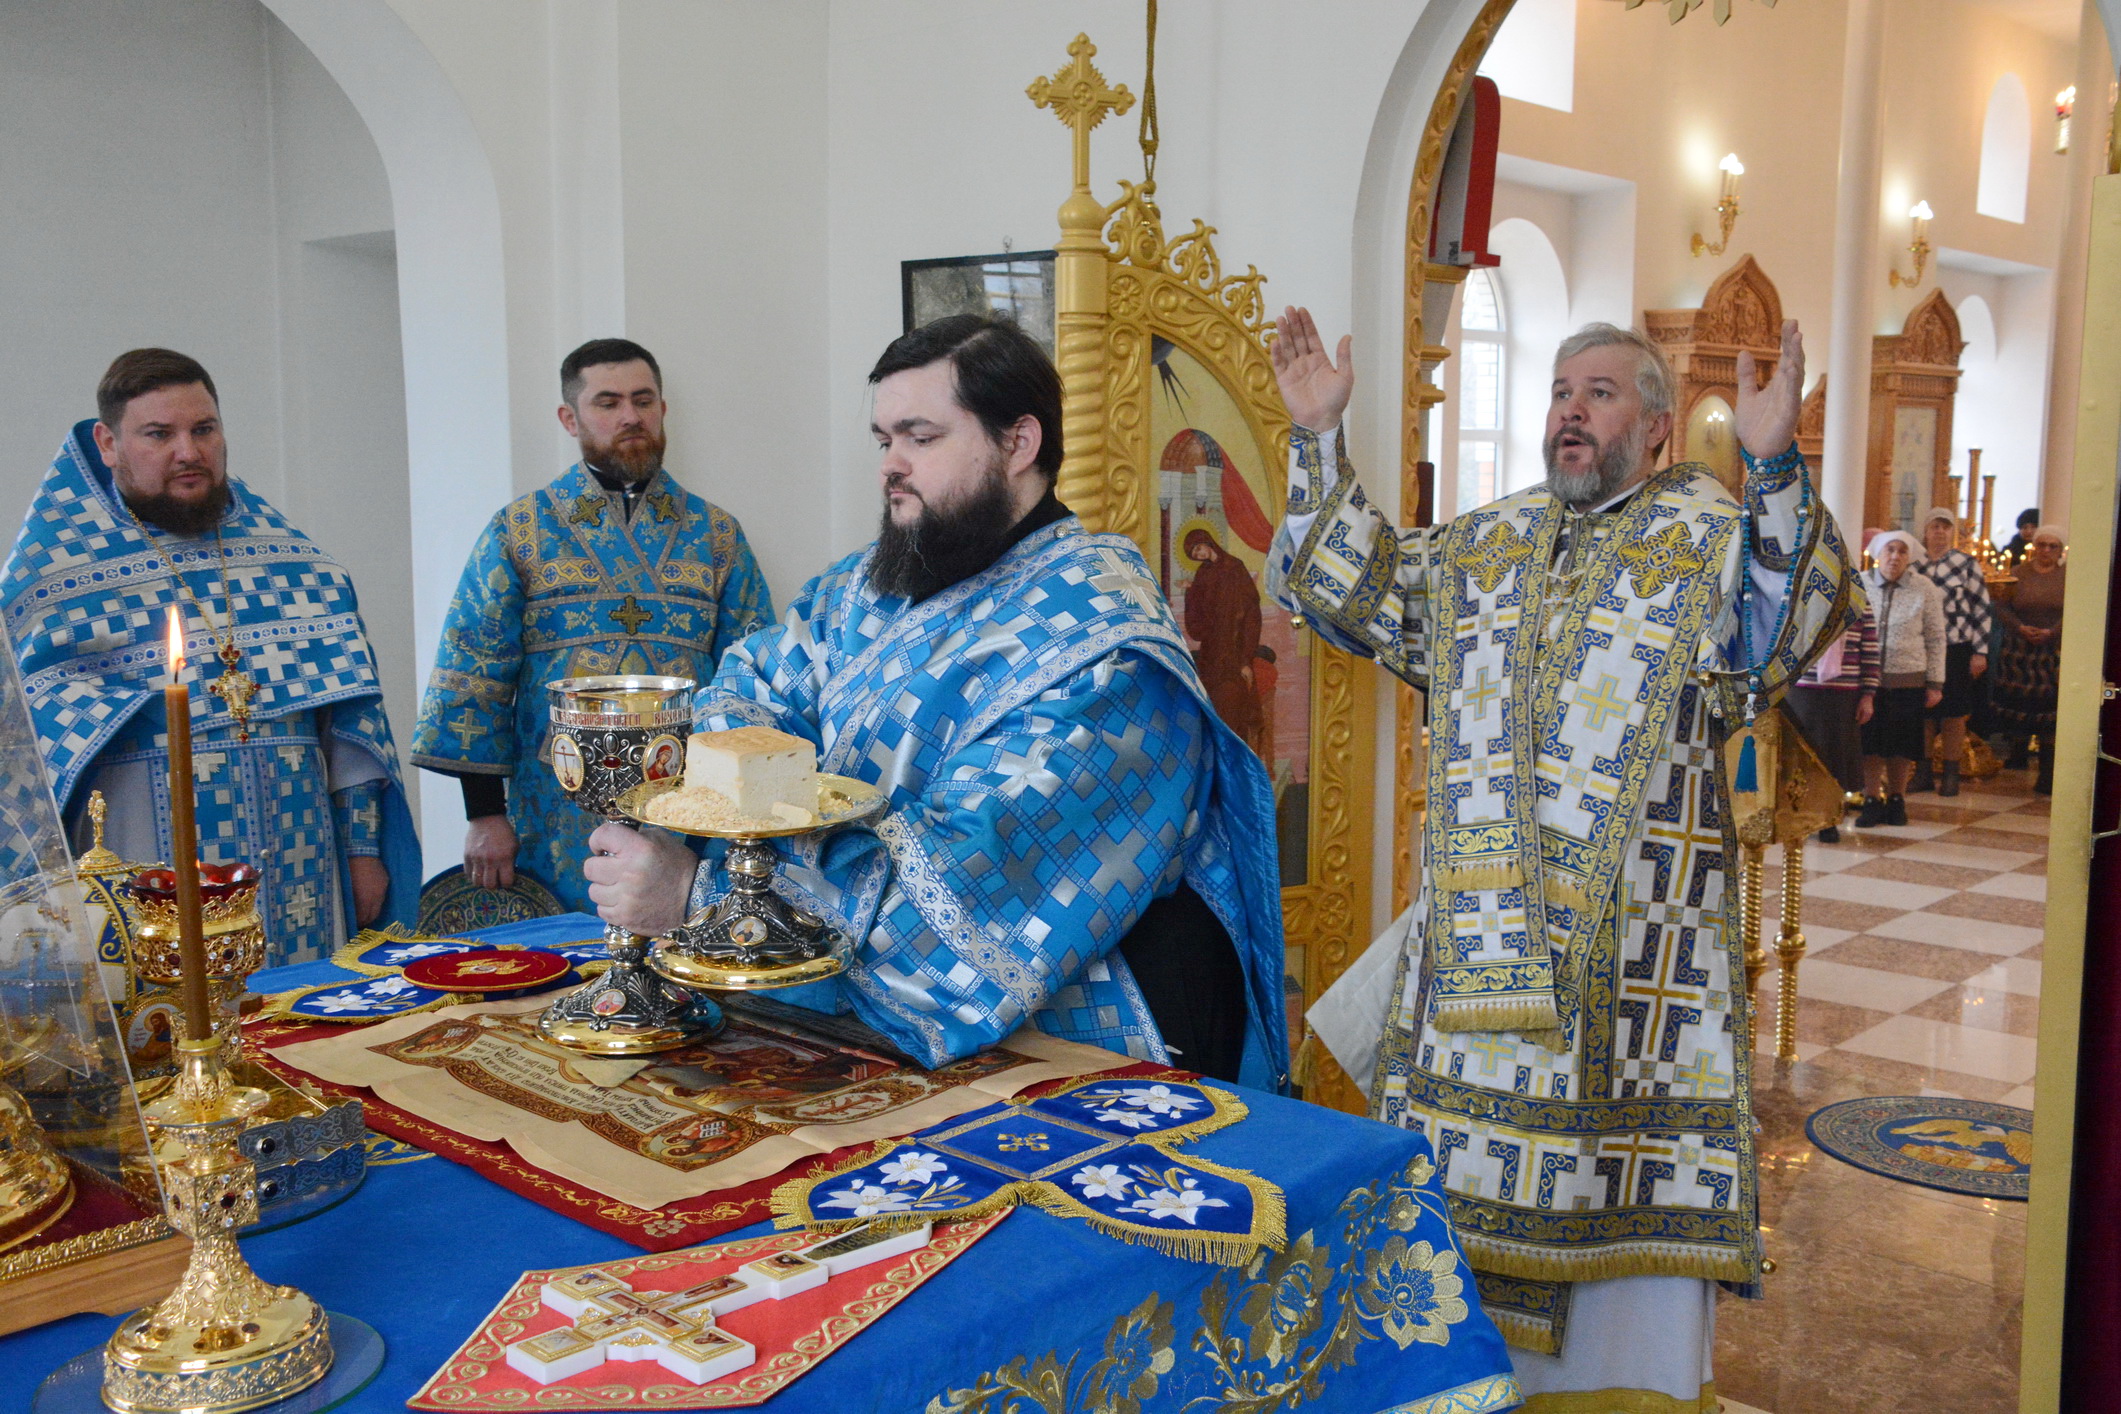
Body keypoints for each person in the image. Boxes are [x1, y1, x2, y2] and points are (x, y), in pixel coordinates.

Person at [1270, 307, 1855, 1407]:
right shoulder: (1487, 545)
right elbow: (1361, 590)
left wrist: (1774, 462)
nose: (1569, 413)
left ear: (1658, 426)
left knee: (1609, 1232)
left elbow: (1793, 620)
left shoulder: (1707, 539)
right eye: (1558, 392)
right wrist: (1316, 438)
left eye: (1599, 393)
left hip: (1632, 967)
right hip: (1479, 961)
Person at [583, 315, 1288, 1087]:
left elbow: (961, 897)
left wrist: (704, 894)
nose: (891, 465)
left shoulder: (1103, 653)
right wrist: (759, 815)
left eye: (920, 438)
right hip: (844, 1032)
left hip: (1069, 1054)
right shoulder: (870, 585)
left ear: (1018, 443)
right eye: (883, 440)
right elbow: (748, 688)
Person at [3, 349, 420, 965]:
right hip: (145, 857)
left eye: (204, 429)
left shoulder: (297, 568)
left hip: (299, 859)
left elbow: (349, 721)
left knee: (304, 1010)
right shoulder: (55, 584)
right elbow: (25, 748)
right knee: (171, 1012)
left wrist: (361, 852)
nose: (188, 452)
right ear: (108, 443)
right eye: (159, 434)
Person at [410, 339, 773, 913]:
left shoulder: (717, 535)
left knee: (681, 946)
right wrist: (483, 814)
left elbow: (754, 673)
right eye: (608, 402)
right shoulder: (520, 530)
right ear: (570, 418)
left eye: (643, 400)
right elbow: (473, 669)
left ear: (662, 409)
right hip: (553, 805)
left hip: (688, 805)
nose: (630, 416)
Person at [1854, 530, 1946, 827]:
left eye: (1902, 551)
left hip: (1908, 679)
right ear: (1878, 554)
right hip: (1866, 681)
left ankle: (1897, 799)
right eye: (1889, 550)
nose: (1895, 557)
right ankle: (1871, 798)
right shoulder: (1860, 583)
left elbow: (1936, 637)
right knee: (1869, 743)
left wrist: (1935, 683)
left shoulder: (1924, 588)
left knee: (1900, 744)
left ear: (1909, 557)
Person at [1911, 507, 1993, 797]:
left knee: (1954, 713)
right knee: (1923, 711)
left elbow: (1981, 608)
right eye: (1935, 526)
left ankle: (1951, 773)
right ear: (1926, 531)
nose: (1940, 532)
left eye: (1946, 527)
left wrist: (1980, 651)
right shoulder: (1914, 565)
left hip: (1956, 648)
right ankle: (1922, 772)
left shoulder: (1966, 564)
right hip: (1920, 649)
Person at [1783, 604, 1879, 842]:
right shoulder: (1800, 597)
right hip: (1803, 690)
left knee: (1836, 756)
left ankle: (1829, 818)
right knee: (1803, 757)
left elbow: (1870, 650)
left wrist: (1868, 695)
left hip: (1843, 693)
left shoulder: (1859, 603)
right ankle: (1801, 816)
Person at [1993, 524, 2067, 794]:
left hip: (2052, 649)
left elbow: (2074, 608)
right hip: (2019, 649)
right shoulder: (2017, 573)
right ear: (2034, 547)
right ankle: (2017, 754)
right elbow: (2001, 605)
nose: (2046, 550)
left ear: (2060, 550)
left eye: (2052, 546)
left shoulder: (2068, 576)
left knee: (2048, 708)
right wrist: (2020, 628)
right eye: (2041, 545)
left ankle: (2047, 772)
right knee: (2020, 703)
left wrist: (2052, 632)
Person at [1182, 526, 1266, 750]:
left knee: (1233, 707)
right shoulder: (1203, 574)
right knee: (1211, 708)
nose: (1199, 555)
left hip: (1235, 651)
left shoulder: (1235, 567)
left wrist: (1245, 660)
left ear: (1207, 542)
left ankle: (1237, 758)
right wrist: (1191, 594)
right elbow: (1197, 627)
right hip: (1212, 653)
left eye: (1198, 548)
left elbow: (1252, 615)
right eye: (1194, 554)